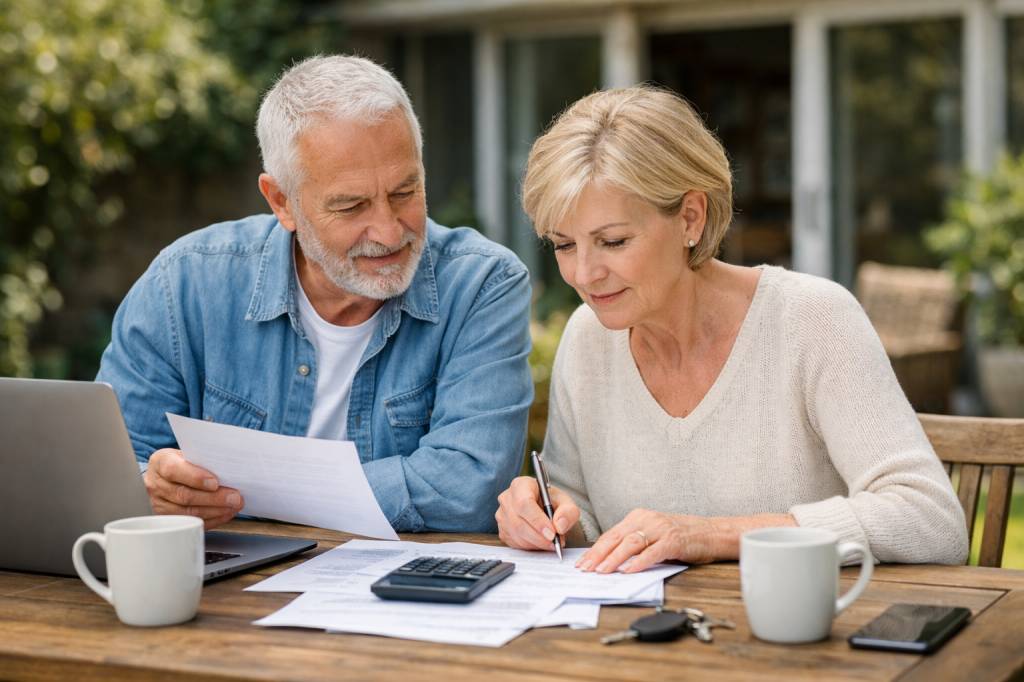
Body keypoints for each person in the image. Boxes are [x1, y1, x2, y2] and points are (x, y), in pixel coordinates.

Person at [495, 85, 968, 571]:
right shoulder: (587, 338)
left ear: (690, 218)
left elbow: (930, 520)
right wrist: (547, 519)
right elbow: (585, 520)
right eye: (564, 245)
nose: (583, 274)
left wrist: (710, 535)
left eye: (613, 241)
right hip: (647, 621)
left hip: (799, 617)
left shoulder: (812, 320)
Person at [97, 55, 533, 533]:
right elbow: (112, 468)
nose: (389, 232)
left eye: (405, 192)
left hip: (402, 580)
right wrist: (153, 487)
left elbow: (468, 488)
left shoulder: (481, 284)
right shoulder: (185, 283)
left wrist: (251, 494)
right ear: (281, 201)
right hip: (228, 577)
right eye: (351, 206)